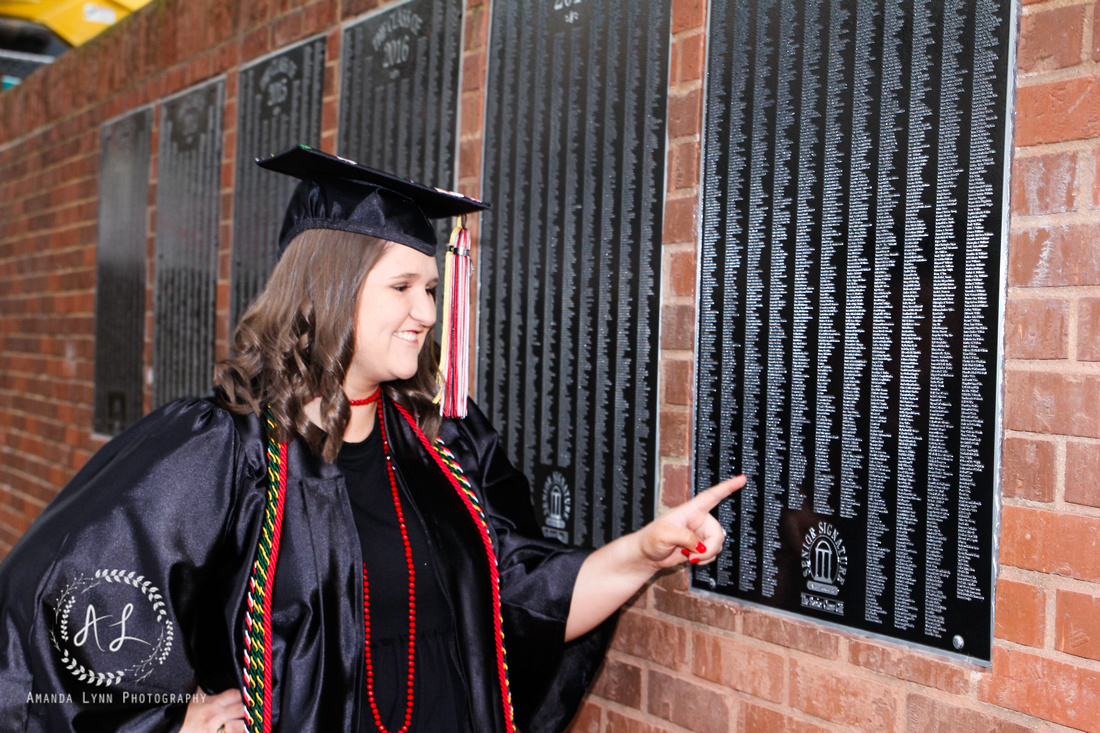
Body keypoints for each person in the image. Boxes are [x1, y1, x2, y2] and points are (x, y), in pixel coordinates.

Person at [0, 145, 744, 733]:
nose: (426, 310)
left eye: (430, 287)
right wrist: (166, 723)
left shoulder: (441, 447)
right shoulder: (224, 448)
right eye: (401, 287)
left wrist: (647, 548)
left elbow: (519, 600)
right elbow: (62, 591)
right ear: (330, 289)